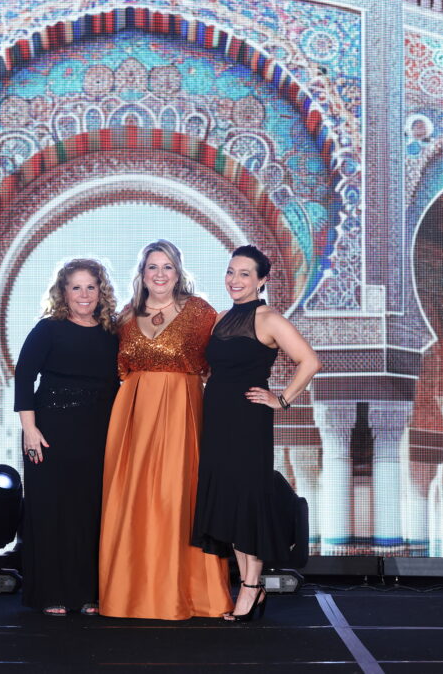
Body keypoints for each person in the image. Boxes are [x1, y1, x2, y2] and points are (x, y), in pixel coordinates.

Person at [99, 239, 233, 620]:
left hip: (182, 411)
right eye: (152, 267)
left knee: (178, 497)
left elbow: (222, 361)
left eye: (167, 267)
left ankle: (187, 593)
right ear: (142, 273)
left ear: (178, 272)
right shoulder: (124, 317)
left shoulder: (201, 312)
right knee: (133, 497)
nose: (159, 274)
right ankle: (130, 592)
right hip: (133, 418)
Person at [192, 245, 321, 622]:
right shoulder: (218, 319)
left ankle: (250, 586)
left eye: (245, 273)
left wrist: (281, 399)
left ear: (262, 280)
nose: (235, 280)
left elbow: (310, 361)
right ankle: (253, 585)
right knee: (230, 500)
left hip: (248, 422)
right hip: (216, 419)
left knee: (247, 500)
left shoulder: (268, 319)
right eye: (231, 272)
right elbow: (215, 368)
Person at [14, 258, 120, 616]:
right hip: (49, 435)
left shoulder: (111, 333)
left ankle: (89, 593)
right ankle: (50, 593)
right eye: (76, 287)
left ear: (101, 290)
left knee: (90, 514)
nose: (84, 294)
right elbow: (24, 377)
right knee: (50, 511)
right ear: (63, 291)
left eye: (91, 286)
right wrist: (30, 430)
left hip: (98, 435)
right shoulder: (49, 329)